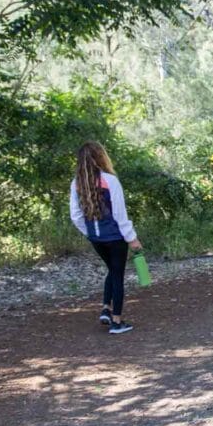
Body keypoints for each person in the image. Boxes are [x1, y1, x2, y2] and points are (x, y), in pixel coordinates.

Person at [69, 141, 142, 334]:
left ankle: (106, 309)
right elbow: (119, 214)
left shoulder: (76, 184)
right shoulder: (110, 181)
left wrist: (89, 233)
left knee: (112, 270)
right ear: (100, 157)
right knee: (117, 275)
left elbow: (75, 216)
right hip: (116, 238)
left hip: (96, 239)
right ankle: (117, 322)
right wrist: (132, 238)